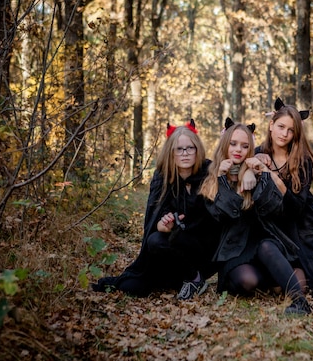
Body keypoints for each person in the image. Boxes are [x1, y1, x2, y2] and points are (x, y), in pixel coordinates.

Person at [92, 120, 219, 300]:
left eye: (190, 148)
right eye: (179, 149)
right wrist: (162, 225)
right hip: (173, 253)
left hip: (204, 248)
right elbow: (155, 217)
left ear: (197, 149)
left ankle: (196, 279)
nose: (185, 154)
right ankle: (184, 277)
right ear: (170, 152)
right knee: (133, 285)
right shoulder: (162, 177)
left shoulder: (209, 171)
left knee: (177, 240)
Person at [200, 119, 312, 315]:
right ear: (225, 144)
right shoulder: (212, 177)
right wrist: (222, 180)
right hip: (235, 250)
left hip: (264, 243)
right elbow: (223, 215)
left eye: (245, 146)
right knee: (247, 282)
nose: (238, 150)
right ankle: (276, 281)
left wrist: (258, 174)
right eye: (233, 144)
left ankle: (300, 302)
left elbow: (274, 208)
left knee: (296, 280)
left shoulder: (256, 171)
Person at [255, 98, 313, 292]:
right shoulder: (258, 153)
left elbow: (296, 208)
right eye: (281, 126)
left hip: (301, 229)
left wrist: (274, 178)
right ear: (271, 125)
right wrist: (254, 159)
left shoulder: (302, 161)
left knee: (301, 286)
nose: (284, 134)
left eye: (291, 130)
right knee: (270, 285)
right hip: (273, 229)